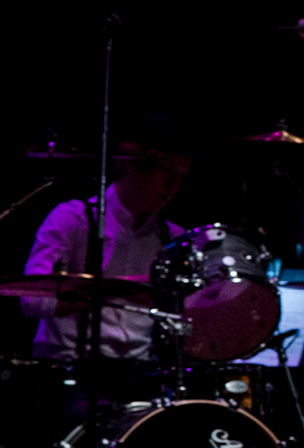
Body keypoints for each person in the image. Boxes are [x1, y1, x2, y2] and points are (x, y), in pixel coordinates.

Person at [21, 116, 192, 364]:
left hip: (140, 374)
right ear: (126, 165)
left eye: (180, 177)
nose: (171, 185)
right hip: (68, 368)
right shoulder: (72, 219)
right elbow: (32, 301)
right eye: (163, 170)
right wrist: (112, 291)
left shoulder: (174, 238)